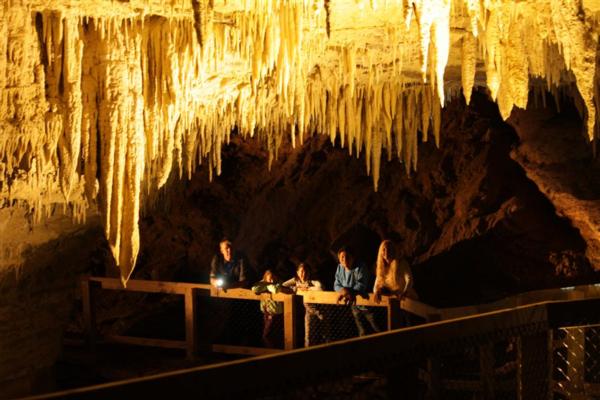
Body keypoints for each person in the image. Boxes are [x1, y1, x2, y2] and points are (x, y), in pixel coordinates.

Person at [334, 247, 380, 336]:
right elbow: (336, 284)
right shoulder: (339, 268)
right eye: (342, 257)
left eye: (347, 256)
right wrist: (343, 290)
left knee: (376, 327)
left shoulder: (361, 267)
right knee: (361, 330)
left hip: (368, 304)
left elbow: (361, 284)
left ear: (353, 257)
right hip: (354, 304)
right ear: (339, 259)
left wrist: (348, 292)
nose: (345, 259)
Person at [283, 263, 324, 346]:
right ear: (297, 272)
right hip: (307, 311)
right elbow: (283, 285)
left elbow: (320, 287)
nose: (303, 274)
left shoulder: (311, 281)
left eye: (306, 272)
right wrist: (295, 288)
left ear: (309, 273)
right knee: (308, 335)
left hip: (320, 311)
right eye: (301, 272)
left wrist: (308, 288)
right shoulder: (296, 280)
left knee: (323, 334)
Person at [252, 270, 287, 348]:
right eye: (270, 279)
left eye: (274, 279)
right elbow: (254, 289)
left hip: (275, 315)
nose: (272, 281)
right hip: (265, 313)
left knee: (267, 335)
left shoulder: (279, 283)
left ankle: (272, 351)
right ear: (265, 278)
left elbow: (275, 290)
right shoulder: (262, 283)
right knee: (270, 335)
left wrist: (267, 286)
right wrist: (266, 285)